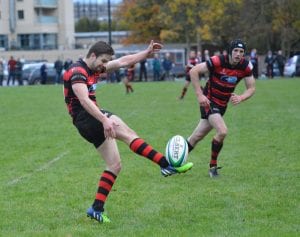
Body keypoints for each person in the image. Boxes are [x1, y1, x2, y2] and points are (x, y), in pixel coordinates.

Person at [63, 40, 193, 223]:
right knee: (128, 133)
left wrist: (146, 53)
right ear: (93, 55)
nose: (104, 65)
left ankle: (96, 209)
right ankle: (165, 164)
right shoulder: (77, 71)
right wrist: (104, 119)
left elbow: (124, 61)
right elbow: (84, 100)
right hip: (87, 118)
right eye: (103, 60)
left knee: (115, 165)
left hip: (88, 121)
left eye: (106, 61)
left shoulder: (94, 68)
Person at [185, 39, 255, 178]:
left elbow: (251, 88)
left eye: (241, 52)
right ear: (230, 51)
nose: (238, 54)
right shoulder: (217, 61)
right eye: (235, 51)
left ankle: (171, 162)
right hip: (209, 102)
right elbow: (194, 71)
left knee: (196, 137)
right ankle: (213, 167)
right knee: (222, 131)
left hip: (222, 106)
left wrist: (241, 97)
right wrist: (199, 95)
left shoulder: (245, 67)